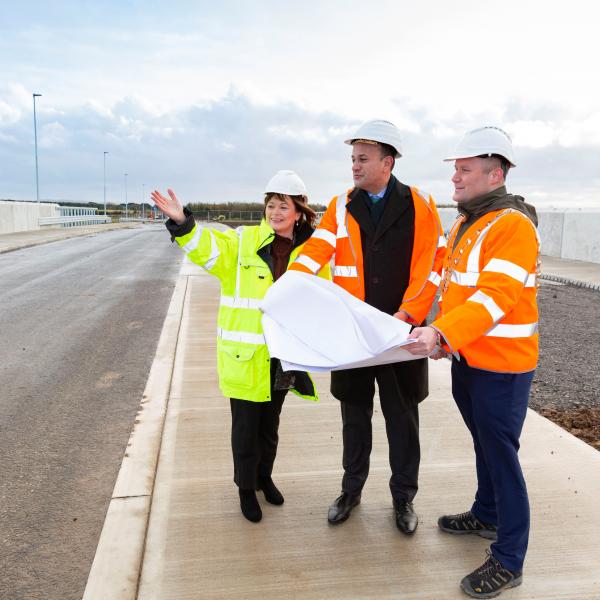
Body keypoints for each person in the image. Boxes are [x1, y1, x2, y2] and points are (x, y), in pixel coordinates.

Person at [289, 120, 445, 533]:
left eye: (362, 159)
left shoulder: (421, 204)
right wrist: (294, 278)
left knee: (402, 420)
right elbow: (319, 247)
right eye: (352, 159)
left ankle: (403, 499)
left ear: (387, 162)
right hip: (354, 335)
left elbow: (433, 264)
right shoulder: (341, 203)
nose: (354, 166)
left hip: (400, 333)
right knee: (354, 417)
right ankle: (351, 490)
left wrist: (408, 315)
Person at [151, 170, 330, 523]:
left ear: (299, 212)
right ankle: (246, 489)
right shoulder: (244, 241)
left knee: (270, 426)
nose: (275, 213)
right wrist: (183, 223)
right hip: (246, 355)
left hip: (282, 359)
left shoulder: (312, 251)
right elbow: (208, 249)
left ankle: (265, 478)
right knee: (246, 428)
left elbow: (322, 298)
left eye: (283, 206)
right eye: (270, 205)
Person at [407, 126, 540, 598]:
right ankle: (487, 513)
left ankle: (509, 558)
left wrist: (442, 331)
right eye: (456, 170)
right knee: (485, 446)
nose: (456, 179)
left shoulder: (512, 225)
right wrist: (442, 334)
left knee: (502, 456)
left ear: (495, 172)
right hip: (470, 358)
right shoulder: (468, 221)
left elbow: (496, 296)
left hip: (502, 368)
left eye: (464, 170)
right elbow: (455, 289)